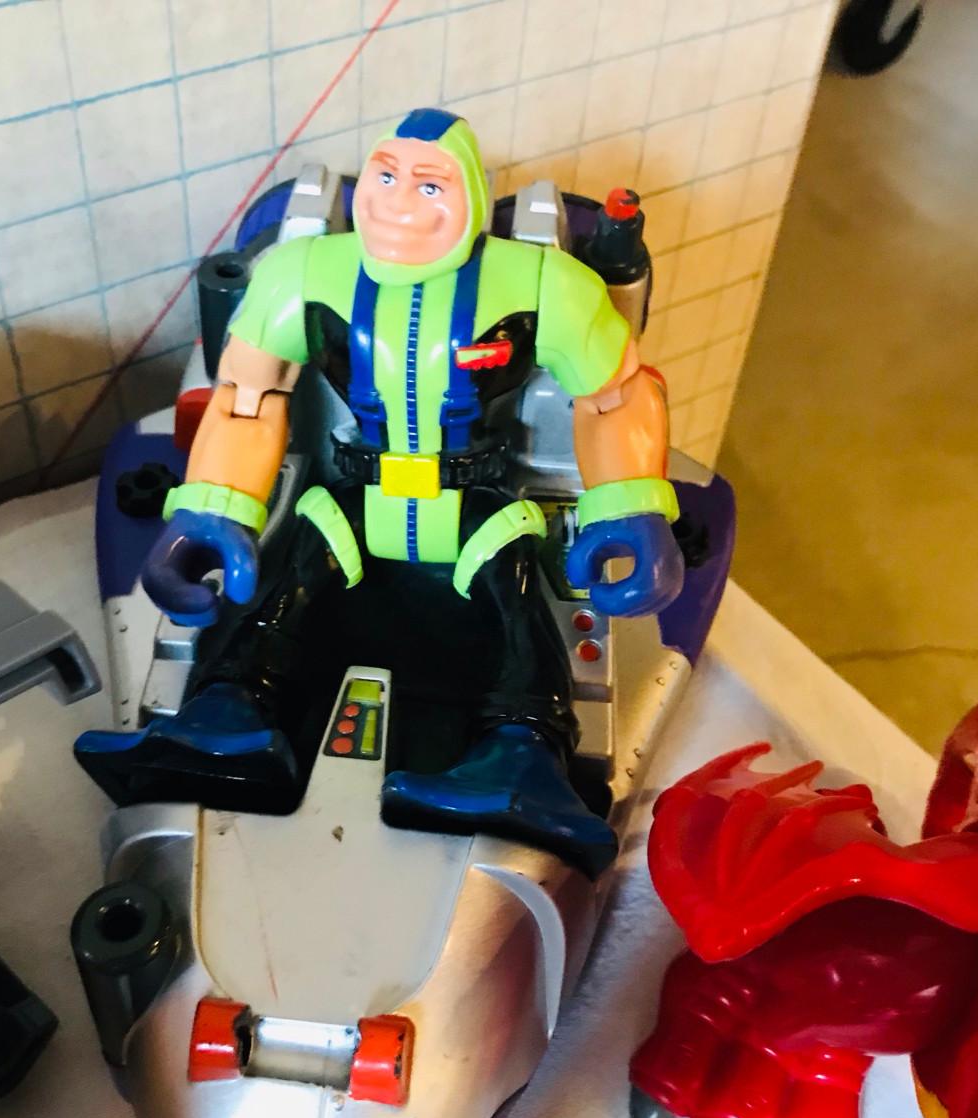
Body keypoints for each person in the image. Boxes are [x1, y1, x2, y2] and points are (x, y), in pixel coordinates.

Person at [75, 108, 684, 878]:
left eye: (428, 186)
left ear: (470, 195)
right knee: (287, 585)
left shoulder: (542, 285)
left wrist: (630, 507)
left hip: (477, 506)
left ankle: (522, 752)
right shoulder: (302, 276)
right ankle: (225, 711)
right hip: (352, 497)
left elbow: (615, 397)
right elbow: (245, 402)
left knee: (517, 599)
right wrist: (212, 510)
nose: (399, 203)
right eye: (386, 177)